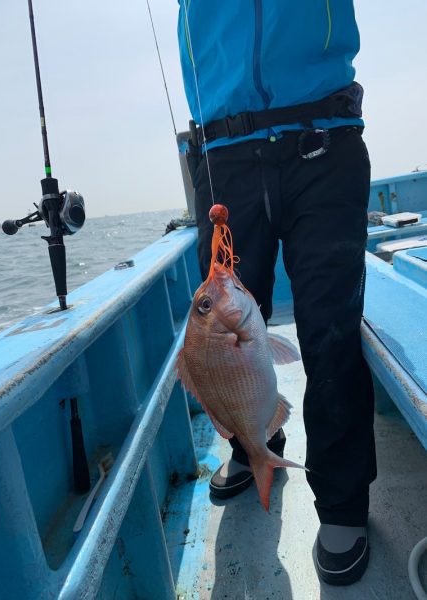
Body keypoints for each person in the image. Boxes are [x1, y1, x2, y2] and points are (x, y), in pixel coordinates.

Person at [176, 0, 377, 586]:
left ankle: (342, 502)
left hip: (325, 135)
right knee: (221, 332)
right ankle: (253, 445)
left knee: (330, 331)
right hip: (222, 153)